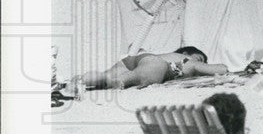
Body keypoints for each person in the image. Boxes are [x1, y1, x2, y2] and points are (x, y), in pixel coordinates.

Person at [77, 46, 228, 90]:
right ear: (186, 53)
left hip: (137, 58)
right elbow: (221, 69)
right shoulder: (187, 61)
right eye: (200, 58)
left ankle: (78, 81)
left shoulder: (166, 54)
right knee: (129, 78)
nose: (202, 63)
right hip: (155, 64)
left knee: (106, 75)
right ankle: (121, 80)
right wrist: (202, 64)